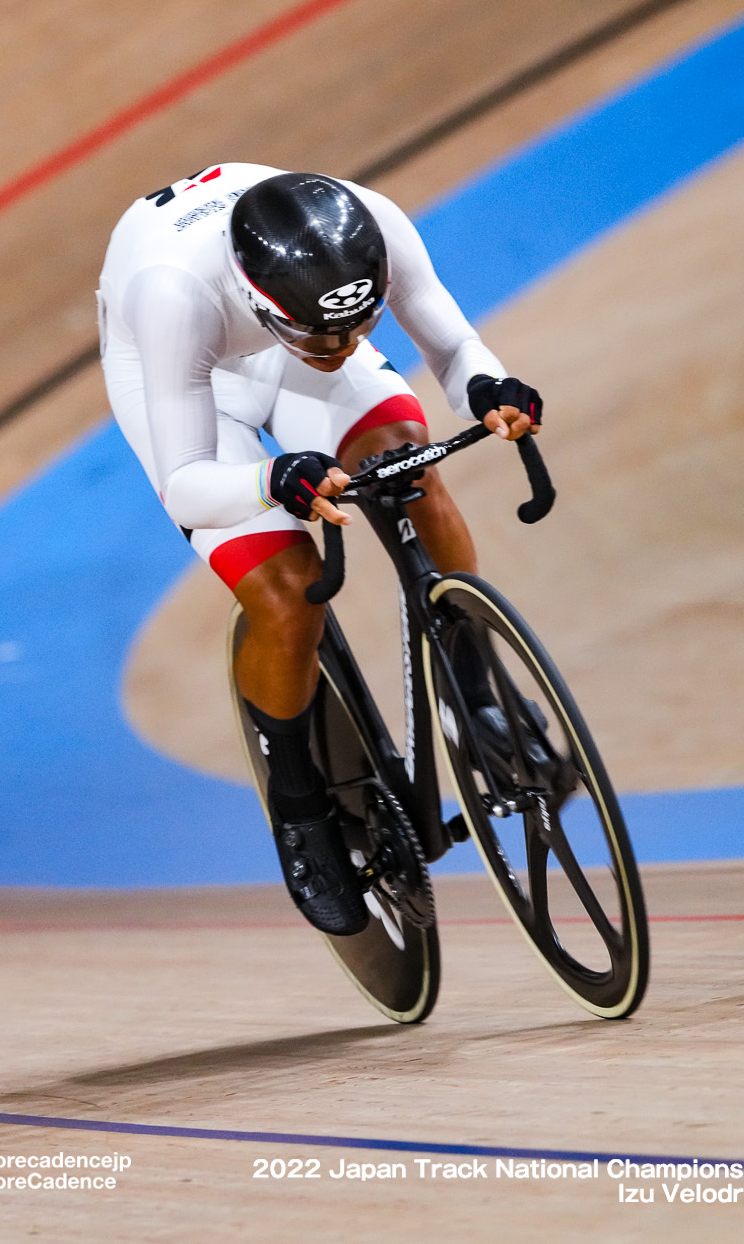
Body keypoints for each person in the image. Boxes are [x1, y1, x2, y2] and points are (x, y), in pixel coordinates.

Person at [97, 165, 541, 936]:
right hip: (185, 373)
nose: (342, 349)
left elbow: (453, 343)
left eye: (358, 328)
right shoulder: (171, 299)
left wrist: (491, 388)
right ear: (262, 302)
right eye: (324, 335)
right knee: (286, 589)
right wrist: (275, 476)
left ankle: (474, 698)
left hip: (279, 343)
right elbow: (189, 484)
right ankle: (299, 809)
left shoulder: (370, 224)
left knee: (409, 468)